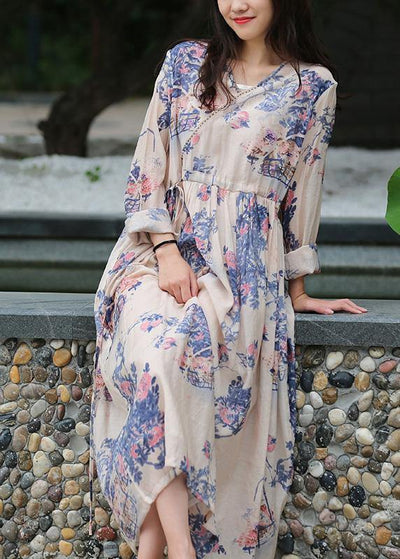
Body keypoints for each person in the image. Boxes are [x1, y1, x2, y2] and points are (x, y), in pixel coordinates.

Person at [89, 1, 368, 558]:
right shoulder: (185, 63)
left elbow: (303, 192)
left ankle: (156, 549)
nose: (237, 4)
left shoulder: (312, 87)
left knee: (176, 361)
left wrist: (297, 290)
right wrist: (167, 252)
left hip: (246, 270)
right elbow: (148, 165)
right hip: (158, 255)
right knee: (160, 356)